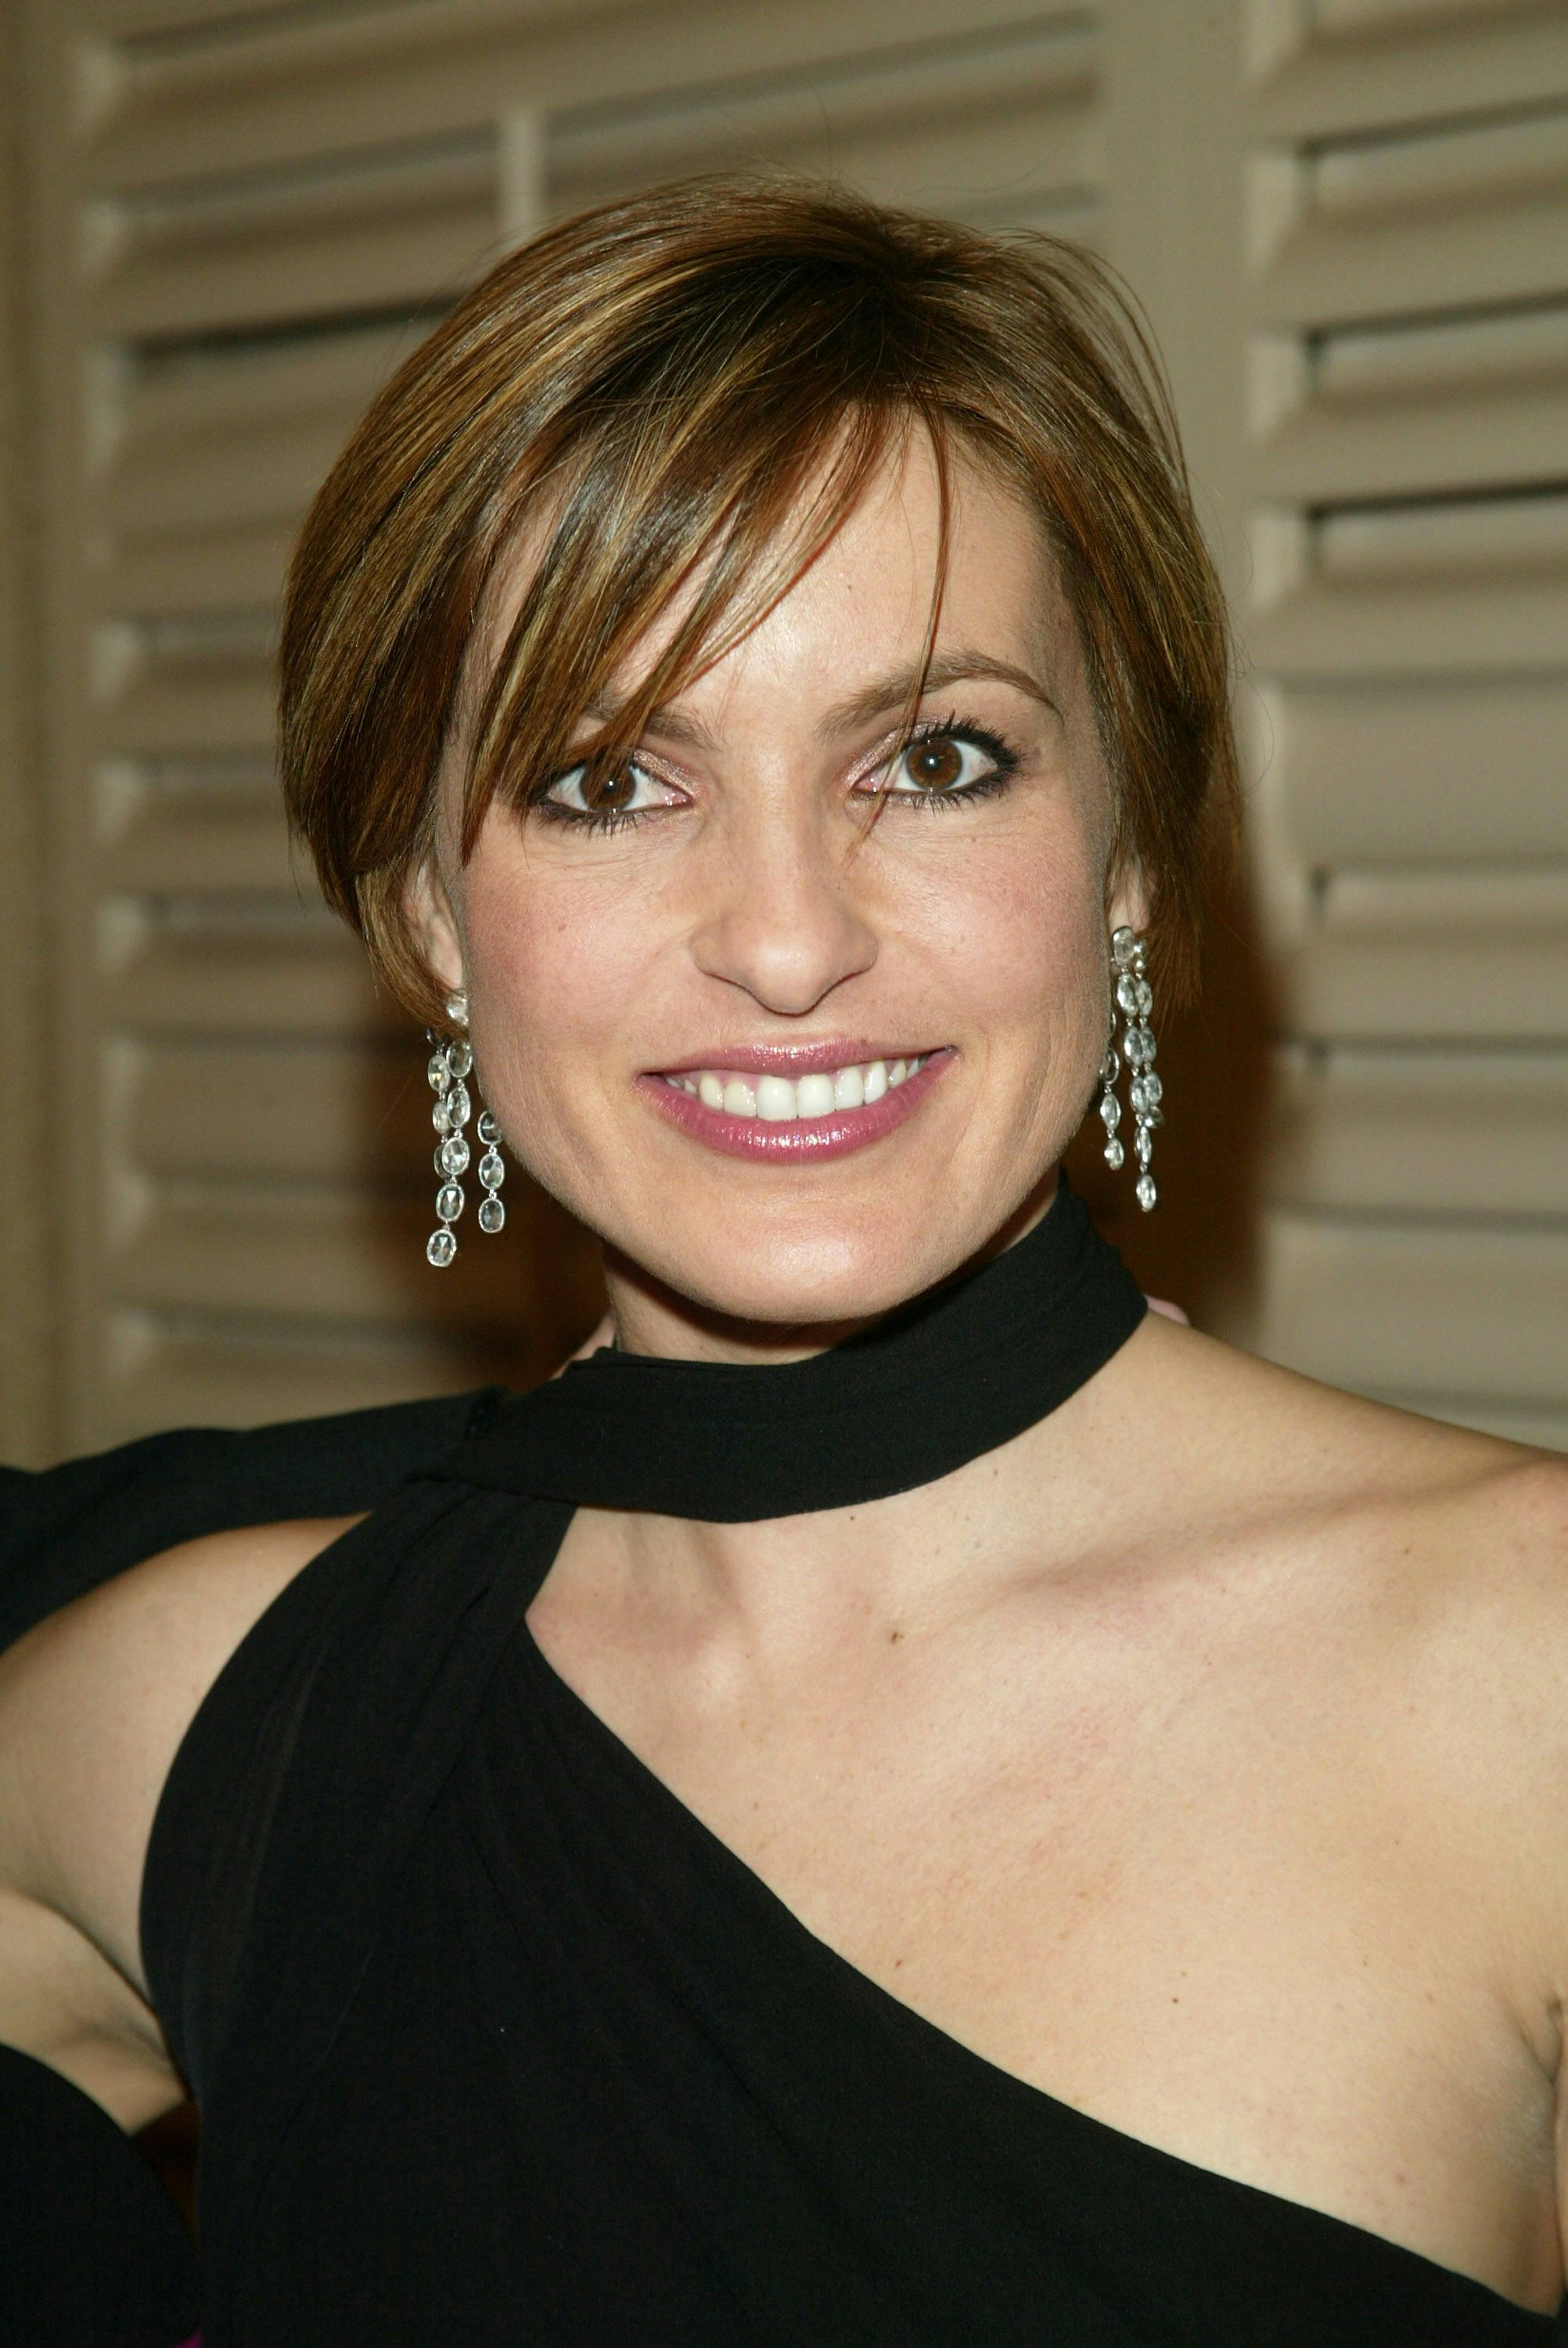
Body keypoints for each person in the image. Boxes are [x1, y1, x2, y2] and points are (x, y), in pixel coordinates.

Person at [2, 173, 1565, 2347]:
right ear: (428, 915)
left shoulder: (1522, 1678)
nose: (787, 936)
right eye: (604, 781)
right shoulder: (208, 1727)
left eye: (935, 758)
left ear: (1130, 845)